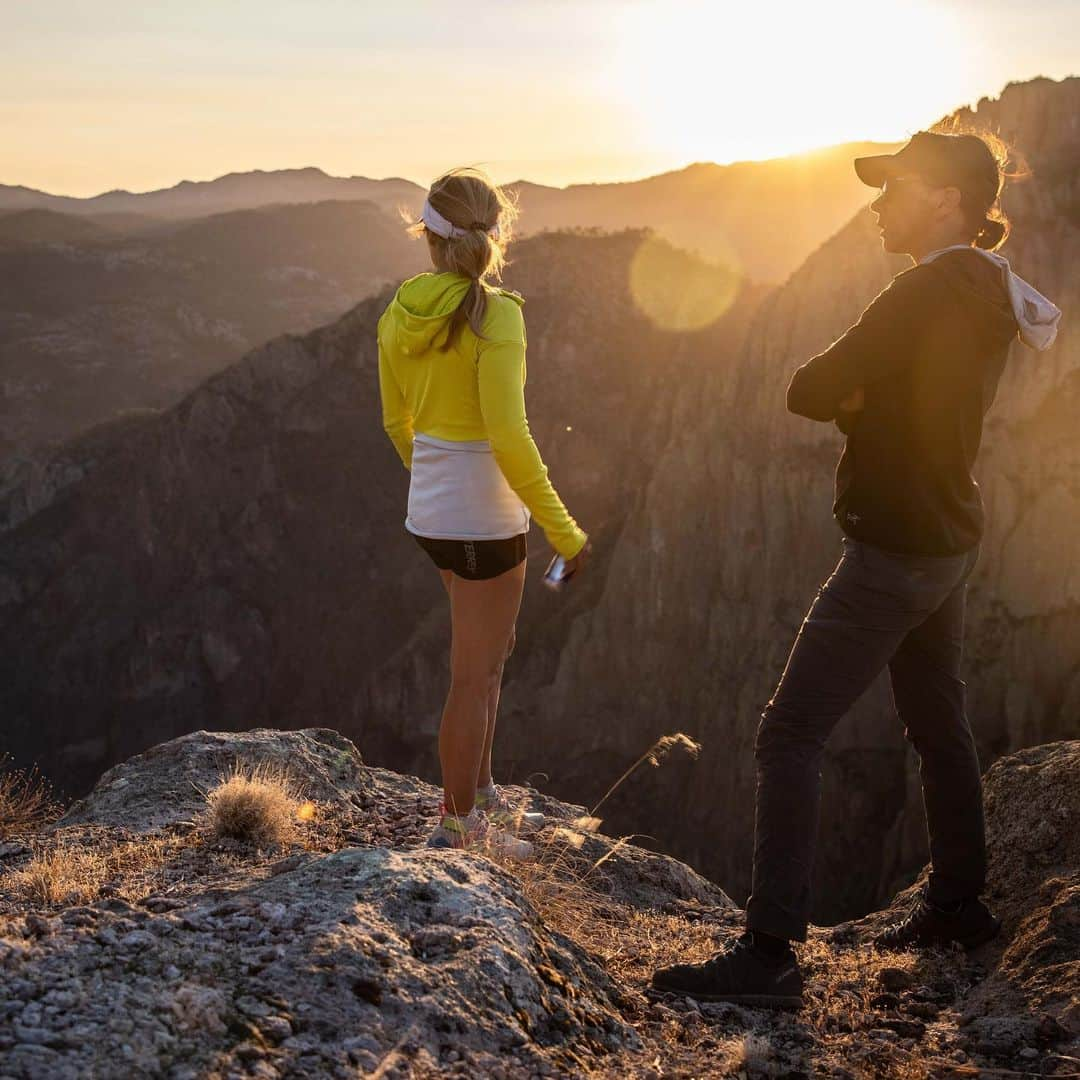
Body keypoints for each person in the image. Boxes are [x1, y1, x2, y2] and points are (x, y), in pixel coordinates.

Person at [651, 130, 1061, 1008]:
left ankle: (769, 953)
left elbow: (806, 387)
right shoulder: (988, 285)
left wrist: (861, 399)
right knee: (936, 721)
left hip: (893, 548)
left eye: (895, 190)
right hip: (950, 538)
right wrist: (877, 398)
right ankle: (958, 903)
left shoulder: (917, 291)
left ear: (946, 199)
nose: (877, 206)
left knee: (789, 731)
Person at [377, 167, 591, 857]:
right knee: (474, 673)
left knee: (491, 656)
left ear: (428, 237)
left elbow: (394, 421)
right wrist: (563, 528)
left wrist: (434, 482)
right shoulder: (496, 315)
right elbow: (509, 433)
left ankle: (483, 796)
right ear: (495, 232)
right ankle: (461, 826)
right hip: (485, 518)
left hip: (433, 514)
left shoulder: (399, 311)